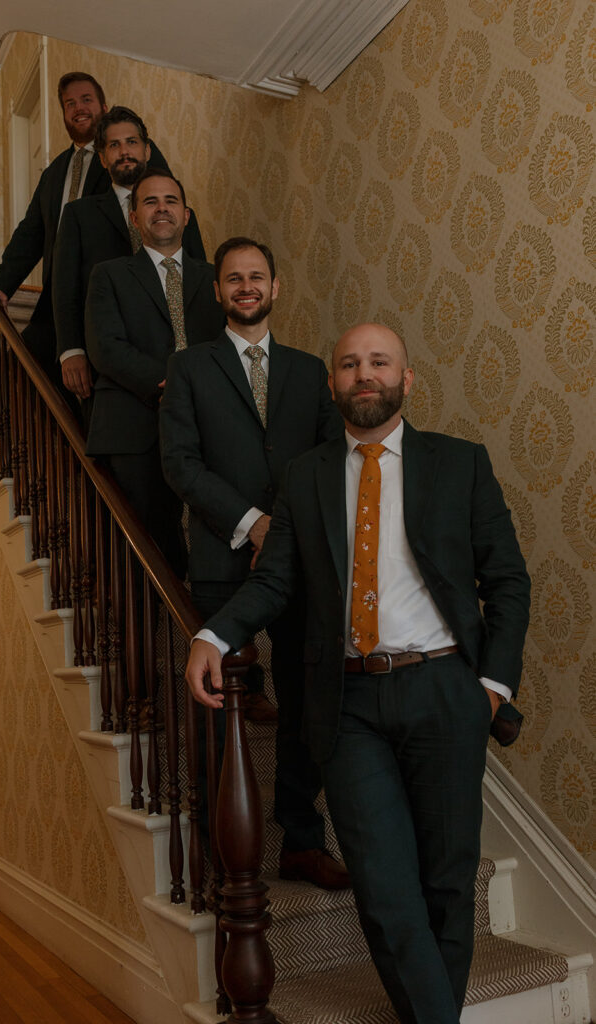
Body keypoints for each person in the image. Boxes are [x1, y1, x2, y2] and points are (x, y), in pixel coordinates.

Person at [185, 322, 531, 1022]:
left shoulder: (459, 463)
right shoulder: (306, 475)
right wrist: (214, 634)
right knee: (382, 886)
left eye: (378, 362)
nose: (362, 373)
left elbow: (508, 581)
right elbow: (275, 578)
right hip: (346, 703)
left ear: (407, 381)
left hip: (443, 692)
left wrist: (490, 688)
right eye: (348, 364)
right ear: (333, 383)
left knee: (446, 882)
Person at [160, 236, 348, 889]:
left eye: (257, 277)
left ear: (275, 288)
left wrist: (288, 530)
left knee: (304, 706)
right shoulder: (188, 367)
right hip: (221, 559)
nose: (246, 286)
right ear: (217, 291)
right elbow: (180, 462)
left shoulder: (306, 370)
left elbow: (331, 461)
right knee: (218, 705)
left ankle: (300, 840)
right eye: (233, 278)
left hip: (301, 568)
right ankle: (220, 845)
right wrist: (253, 523)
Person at [84, 167, 223, 576]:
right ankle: (151, 633)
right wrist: (175, 384)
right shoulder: (108, 275)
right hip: (133, 425)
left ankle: (203, 628)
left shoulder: (215, 278)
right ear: (134, 217)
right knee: (143, 542)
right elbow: (106, 349)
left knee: (213, 531)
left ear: (187, 215)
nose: (162, 209)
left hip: (207, 425)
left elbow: (227, 345)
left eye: (171, 201)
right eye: (150, 201)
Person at [52, 106, 204, 407]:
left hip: (181, 366)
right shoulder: (78, 215)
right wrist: (71, 350)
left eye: (132, 142)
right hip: (112, 367)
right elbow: (65, 287)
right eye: (114, 145)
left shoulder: (181, 216)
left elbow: (200, 286)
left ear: (147, 150)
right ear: (102, 157)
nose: (124, 152)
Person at [0, 73, 111, 376]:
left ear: (104, 105)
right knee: (20, 371)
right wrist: (1, 283)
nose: (79, 108)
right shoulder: (53, 174)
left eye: (86, 100)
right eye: (70, 103)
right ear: (63, 113)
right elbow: (30, 234)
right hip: (56, 301)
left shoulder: (122, 157)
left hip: (102, 299)